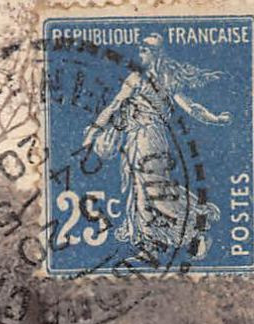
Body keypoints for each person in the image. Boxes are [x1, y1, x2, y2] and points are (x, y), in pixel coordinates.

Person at [81, 34, 229, 260]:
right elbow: (114, 106)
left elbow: (189, 106)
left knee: (155, 191)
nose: (140, 51)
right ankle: (149, 247)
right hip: (134, 138)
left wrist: (214, 119)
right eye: (139, 47)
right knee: (140, 192)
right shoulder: (136, 78)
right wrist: (93, 130)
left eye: (146, 48)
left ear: (157, 53)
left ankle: (196, 230)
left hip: (150, 137)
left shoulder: (159, 79)